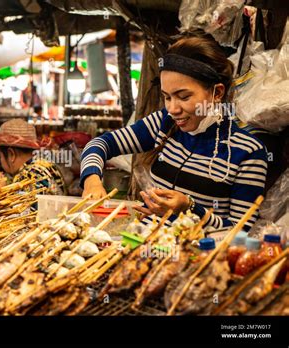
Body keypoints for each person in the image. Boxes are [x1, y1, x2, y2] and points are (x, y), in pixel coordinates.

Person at [80, 32, 268, 232]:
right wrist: (91, 179)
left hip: (194, 259)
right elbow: (99, 144)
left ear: (217, 92)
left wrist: (190, 208)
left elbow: (240, 233)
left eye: (183, 96)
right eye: (167, 97)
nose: (172, 108)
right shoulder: (164, 123)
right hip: (142, 248)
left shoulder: (248, 152)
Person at [0, 118, 66, 196]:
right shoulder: (45, 164)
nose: (0, 161)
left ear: (12, 154)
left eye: (0, 156)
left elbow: (20, 210)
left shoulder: (27, 177)